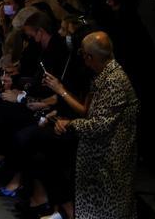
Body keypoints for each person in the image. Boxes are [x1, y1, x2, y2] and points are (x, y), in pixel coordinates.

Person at [53, 32, 138, 219]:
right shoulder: (104, 76)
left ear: (89, 56)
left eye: (82, 53)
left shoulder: (114, 81)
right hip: (102, 157)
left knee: (108, 210)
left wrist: (71, 124)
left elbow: (100, 124)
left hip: (110, 160)